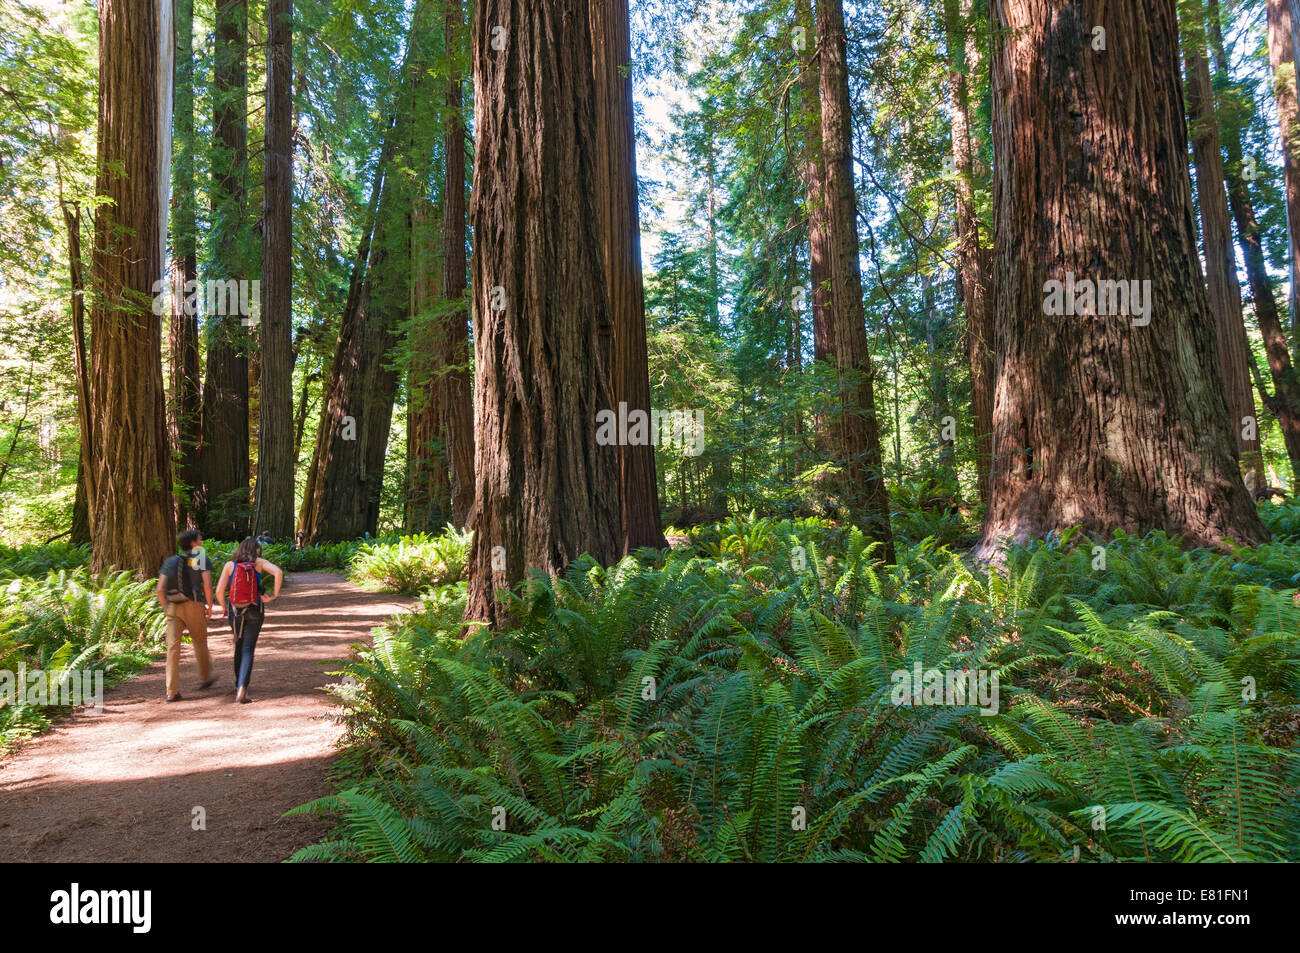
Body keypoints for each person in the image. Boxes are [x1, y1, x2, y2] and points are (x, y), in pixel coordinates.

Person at [213, 537, 283, 704]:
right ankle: (242, 689)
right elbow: (278, 572)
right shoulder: (259, 563)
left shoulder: (230, 565)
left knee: (238, 644)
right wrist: (274, 594)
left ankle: (238, 683)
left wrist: (224, 607)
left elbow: (219, 591)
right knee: (248, 648)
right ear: (256, 551)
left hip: (235, 610)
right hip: (255, 609)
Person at [155, 529, 217, 702]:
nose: (201, 540)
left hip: (172, 607)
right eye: (199, 538)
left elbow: (160, 589)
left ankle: (171, 692)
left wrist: (166, 607)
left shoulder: (170, 561)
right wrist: (210, 606)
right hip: (194, 605)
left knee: (172, 649)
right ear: (192, 543)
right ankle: (205, 678)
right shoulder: (200, 559)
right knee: (199, 641)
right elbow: (207, 586)